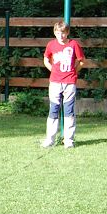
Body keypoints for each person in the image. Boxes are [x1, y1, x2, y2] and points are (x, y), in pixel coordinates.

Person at [41, 20, 85, 149]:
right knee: (53, 109)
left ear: (67, 33)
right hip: (55, 82)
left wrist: (73, 71)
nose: (61, 35)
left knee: (69, 110)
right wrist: (52, 70)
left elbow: (81, 61)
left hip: (69, 82)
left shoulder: (74, 44)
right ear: (55, 32)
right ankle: (50, 140)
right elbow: (46, 59)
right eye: (58, 32)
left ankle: (68, 140)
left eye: (63, 33)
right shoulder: (51, 44)